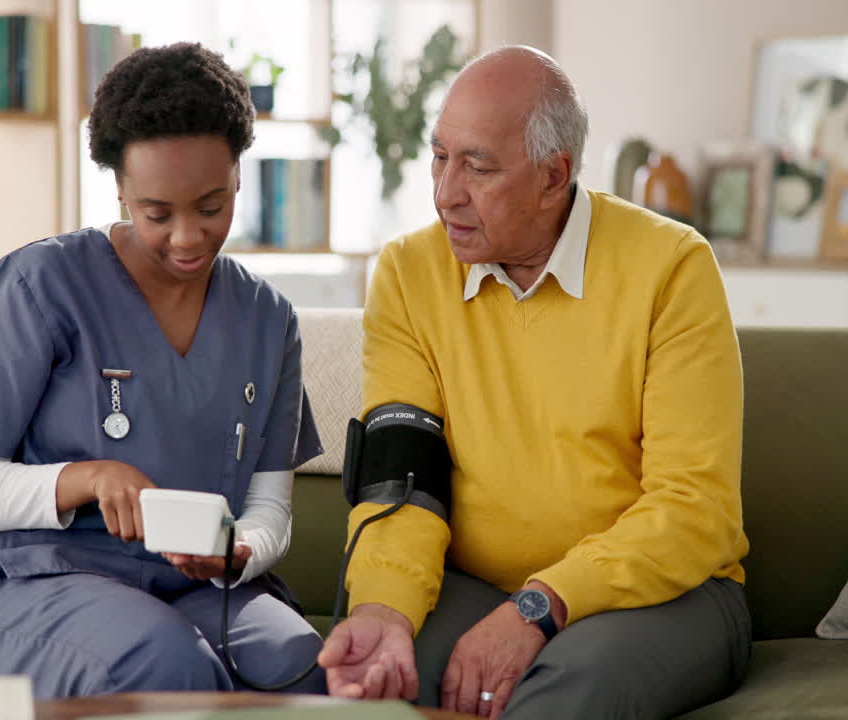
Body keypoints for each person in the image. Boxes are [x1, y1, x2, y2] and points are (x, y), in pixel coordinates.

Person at [318, 46, 751, 719]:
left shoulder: (672, 268)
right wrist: (385, 607)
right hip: (473, 584)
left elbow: (694, 509)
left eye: (477, 167)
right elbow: (404, 480)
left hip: (664, 596)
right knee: (383, 680)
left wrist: (541, 605)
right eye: (439, 157)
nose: (445, 193)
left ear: (554, 177)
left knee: (560, 697)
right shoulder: (408, 273)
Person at [0, 42, 326, 699]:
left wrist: (240, 551)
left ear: (239, 176)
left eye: (211, 207)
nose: (186, 237)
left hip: (201, 591)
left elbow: (270, 509)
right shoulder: (43, 284)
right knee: (163, 669)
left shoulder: (267, 319)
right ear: (120, 189)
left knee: (307, 667)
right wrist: (87, 478)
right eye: (156, 214)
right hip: (44, 584)